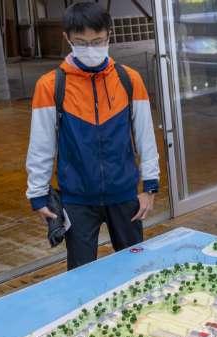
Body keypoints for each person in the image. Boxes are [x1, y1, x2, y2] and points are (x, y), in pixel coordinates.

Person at [25, 2, 160, 270]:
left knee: (136, 269)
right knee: (81, 275)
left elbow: (145, 137)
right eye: (81, 42)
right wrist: (38, 195)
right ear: (67, 39)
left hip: (124, 196)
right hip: (77, 200)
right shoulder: (50, 86)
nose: (90, 48)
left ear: (109, 35)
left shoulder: (129, 80)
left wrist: (150, 188)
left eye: (97, 41)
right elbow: (41, 146)